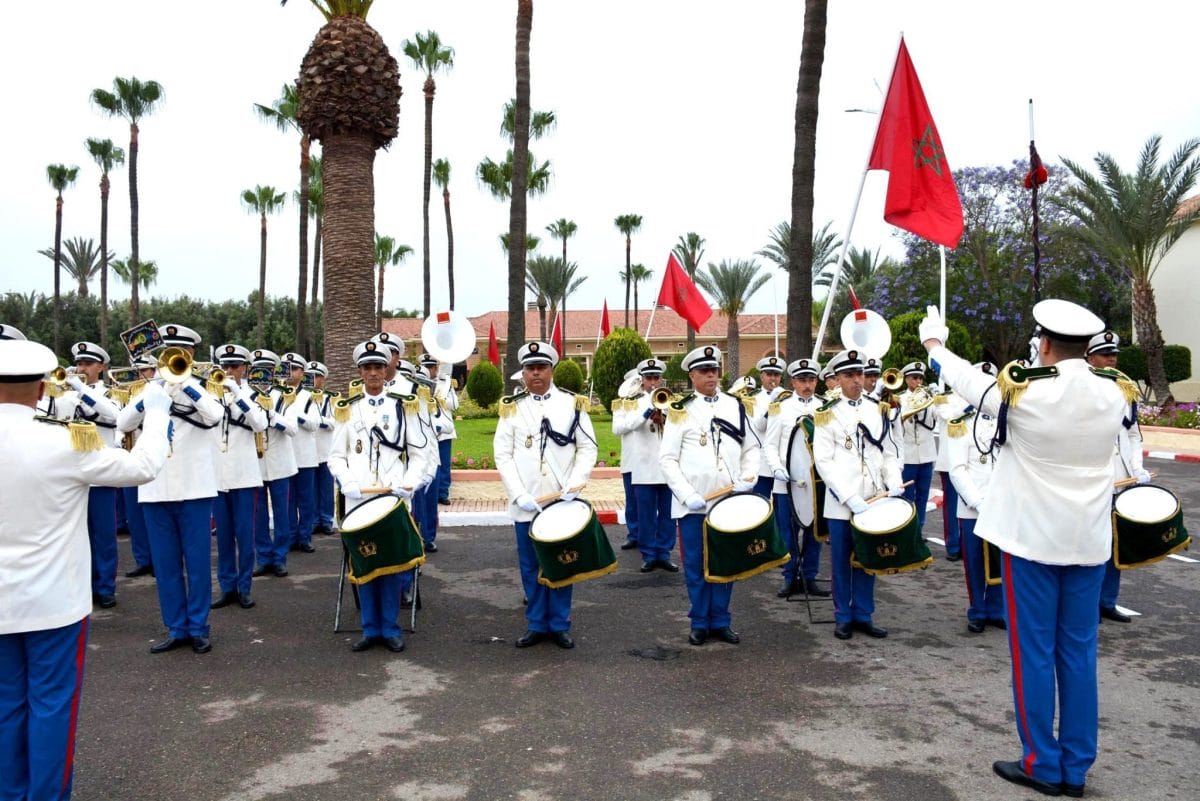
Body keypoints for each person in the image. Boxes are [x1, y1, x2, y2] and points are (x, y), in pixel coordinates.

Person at [919, 300, 1132, 798]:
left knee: (1032, 653)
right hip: (1088, 542)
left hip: (1033, 542)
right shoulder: (1114, 392)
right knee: (1078, 655)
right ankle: (1076, 766)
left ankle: (1041, 762)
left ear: (1045, 344)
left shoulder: (1026, 393)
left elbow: (966, 380)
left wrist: (934, 343)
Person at [0, 338, 172, 801]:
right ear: (40, 389)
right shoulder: (65, 440)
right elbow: (144, 466)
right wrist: (156, 411)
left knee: (4, 708)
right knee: (51, 707)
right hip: (54, 603)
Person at [117, 324, 224, 654]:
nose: (177, 358)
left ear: (190, 355)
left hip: (193, 489)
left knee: (196, 564)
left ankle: (199, 626)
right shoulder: (149, 390)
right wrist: (152, 395)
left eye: (183, 352)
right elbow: (123, 424)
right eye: (170, 353)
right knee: (165, 565)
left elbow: (215, 414)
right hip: (155, 489)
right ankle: (176, 627)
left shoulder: (201, 388)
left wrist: (185, 387)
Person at [493, 341, 598, 649]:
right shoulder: (512, 407)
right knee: (530, 564)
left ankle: (560, 623)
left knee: (563, 562)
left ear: (552, 370)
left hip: (560, 501)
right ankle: (537, 623)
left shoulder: (572, 404)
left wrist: (575, 485)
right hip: (527, 502)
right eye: (530, 368)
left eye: (541, 367)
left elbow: (588, 447)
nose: (535, 373)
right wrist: (518, 494)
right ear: (523, 373)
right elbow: (503, 454)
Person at [328, 340, 430, 653]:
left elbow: (419, 454)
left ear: (387, 370)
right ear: (359, 371)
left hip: (392, 500)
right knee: (366, 564)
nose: (373, 372)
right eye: (367, 367)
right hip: (359, 500)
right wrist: (346, 481)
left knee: (392, 566)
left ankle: (390, 627)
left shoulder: (404, 406)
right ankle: (370, 629)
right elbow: (335, 456)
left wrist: (409, 483)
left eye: (378, 367)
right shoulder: (348, 409)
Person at [660, 345, 761, 646]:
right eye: (704, 371)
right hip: (694, 505)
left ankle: (721, 619)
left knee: (726, 562)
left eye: (714, 370)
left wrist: (748, 478)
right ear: (692, 375)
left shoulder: (735, 405)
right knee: (695, 564)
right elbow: (667, 459)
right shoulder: (680, 410)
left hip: (727, 503)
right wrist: (686, 493)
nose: (710, 375)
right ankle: (700, 621)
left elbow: (752, 447)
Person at [812, 349, 906, 641]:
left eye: (860, 374)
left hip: (875, 498)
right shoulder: (826, 414)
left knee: (869, 558)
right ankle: (843, 616)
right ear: (838, 379)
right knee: (841, 561)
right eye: (849, 375)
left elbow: (889, 452)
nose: (856, 380)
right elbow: (823, 461)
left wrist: (895, 482)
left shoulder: (877, 409)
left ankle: (864, 614)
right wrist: (848, 496)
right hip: (843, 503)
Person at [1086, 331, 1151, 623]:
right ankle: (1087, 604)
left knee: (1116, 545)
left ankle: (1107, 601)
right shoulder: (1081, 389)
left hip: (1122, 479)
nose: (1112, 359)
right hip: (1093, 480)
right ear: (1090, 358)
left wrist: (1136, 467)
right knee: (1092, 545)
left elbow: (1133, 434)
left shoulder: (1124, 389)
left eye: (1114, 355)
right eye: (1105, 354)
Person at [57, 341, 124, 608]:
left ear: (102, 367)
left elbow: (115, 416)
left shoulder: (112, 393)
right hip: (72, 474)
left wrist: (82, 391)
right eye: (79, 363)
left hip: (100, 474)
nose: (81, 368)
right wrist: (67, 394)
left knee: (104, 535)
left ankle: (105, 586)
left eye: (88, 364)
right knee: (74, 535)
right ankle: (80, 586)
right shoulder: (65, 394)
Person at [945, 362, 1005, 633]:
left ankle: (997, 609)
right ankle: (978, 610)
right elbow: (957, 470)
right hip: (973, 507)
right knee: (975, 562)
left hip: (1003, 505)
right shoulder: (960, 424)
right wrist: (978, 502)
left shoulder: (1008, 420)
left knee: (1000, 560)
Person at [765, 358, 830, 598]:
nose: (807, 384)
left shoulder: (825, 408)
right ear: (793, 381)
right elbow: (770, 445)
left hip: (816, 483)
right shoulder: (780, 408)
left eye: (811, 379)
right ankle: (790, 576)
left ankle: (810, 576)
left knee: (815, 534)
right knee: (788, 533)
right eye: (802, 380)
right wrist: (777, 468)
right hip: (787, 482)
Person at [210, 344, 268, 611]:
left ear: (244, 367)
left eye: (234, 366)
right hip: (219, 477)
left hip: (244, 477)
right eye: (226, 366)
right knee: (223, 537)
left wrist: (237, 393)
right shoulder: (211, 393)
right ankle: (227, 587)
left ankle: (244, 587)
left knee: (245, 536)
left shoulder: (254, 394)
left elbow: (260, 424)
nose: (229, 371)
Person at [619, 358, 678, 572]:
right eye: (648, 378)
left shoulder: (671, 401)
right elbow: (622, 427)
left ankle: (664, 553)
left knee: (668, 513)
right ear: (642, 380)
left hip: (665, 466)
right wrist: (646, 414)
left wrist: (665, 419)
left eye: (656, 377)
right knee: (645, 514)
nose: (653, 382)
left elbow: (680, 427)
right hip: (642, 466)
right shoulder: (630, 401)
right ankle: (649, 554)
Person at [249, 349, 299, 578]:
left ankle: (280, 557)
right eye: (258, 370)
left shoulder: (286, 395)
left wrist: (270, 416)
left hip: (280, 463)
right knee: (257, 515)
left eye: (267, 370)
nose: (263, 375)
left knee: (282, 513)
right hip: (255, 464)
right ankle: (263, 557)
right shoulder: (246, 395)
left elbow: (292, 428)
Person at [121, 356, 159, 579]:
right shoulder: (127, 392)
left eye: (143, 369)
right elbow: (121, 420)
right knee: (134, 516)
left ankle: (157, 559)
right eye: (136, 370)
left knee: (152, 516)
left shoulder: (160, 392)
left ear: (154, 370)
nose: (139, 374)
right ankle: (142, 559)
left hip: (152, 456)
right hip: (131, 454)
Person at [282, 352, 321, 555]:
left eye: (294, 369)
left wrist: (295, 415)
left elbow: (315, 424)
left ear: (302, 373)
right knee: (288, 500)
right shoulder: (275, 394)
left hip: (304, 455)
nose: (290, 373)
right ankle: (289, 536)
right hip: (283, 455)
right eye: (286, 369)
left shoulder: (308, 397)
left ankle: (304, 537)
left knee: (306, 500)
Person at [898, 362, 936, 530]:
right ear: (906, 379)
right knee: (907, 496)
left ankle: (919, 529)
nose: (918, 381)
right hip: (908, 455)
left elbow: (935, 420)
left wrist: (935, 400)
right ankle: (907, 530)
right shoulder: (900, 399)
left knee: (923, 495)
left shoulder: (929, 398)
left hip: (926, 454)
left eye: (920, 378)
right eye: (914, 378)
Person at [422, 353, 459, 507]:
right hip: (425, 429)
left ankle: (442, 494)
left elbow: (455, 405)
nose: (430, 370)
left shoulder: (446, 384)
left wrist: (439, 396)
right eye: (427, 367)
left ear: (436, 368)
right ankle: (429, 493)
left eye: (432, 367)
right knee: (427, 463)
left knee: (444, 464)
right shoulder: (418, 383)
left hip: (444, 430)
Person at [611, 368, 641, 551]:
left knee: (652, 502)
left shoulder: (654, 401)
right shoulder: (620, 405)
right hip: (631, 460)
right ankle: (634, 534)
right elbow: (617, 429)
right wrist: (637, 420)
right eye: (635, 382)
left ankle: (650, 535)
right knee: (632, 502)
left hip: (652, 462)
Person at [307, 361, 338, 536]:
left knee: (326, 489)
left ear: (324, 379)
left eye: (317, 376)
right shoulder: (300, 397)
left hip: (325, 449)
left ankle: (326, 519)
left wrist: (319, 421)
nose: (314, 380)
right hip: (308, 451)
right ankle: (313, 520)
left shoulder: (330, 398)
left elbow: (335, 422)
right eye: (310, 376)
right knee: (310, 489)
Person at [750, 355, 788, 497]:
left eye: (776, 375)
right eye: (769, 374)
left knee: (783, 507)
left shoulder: (787, 397)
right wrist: (772, 404)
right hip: (763, 464)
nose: (773, 378)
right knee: (761, 502)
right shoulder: (753, 399)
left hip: (784, 460)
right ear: (761, 376)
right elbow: (759, 426)